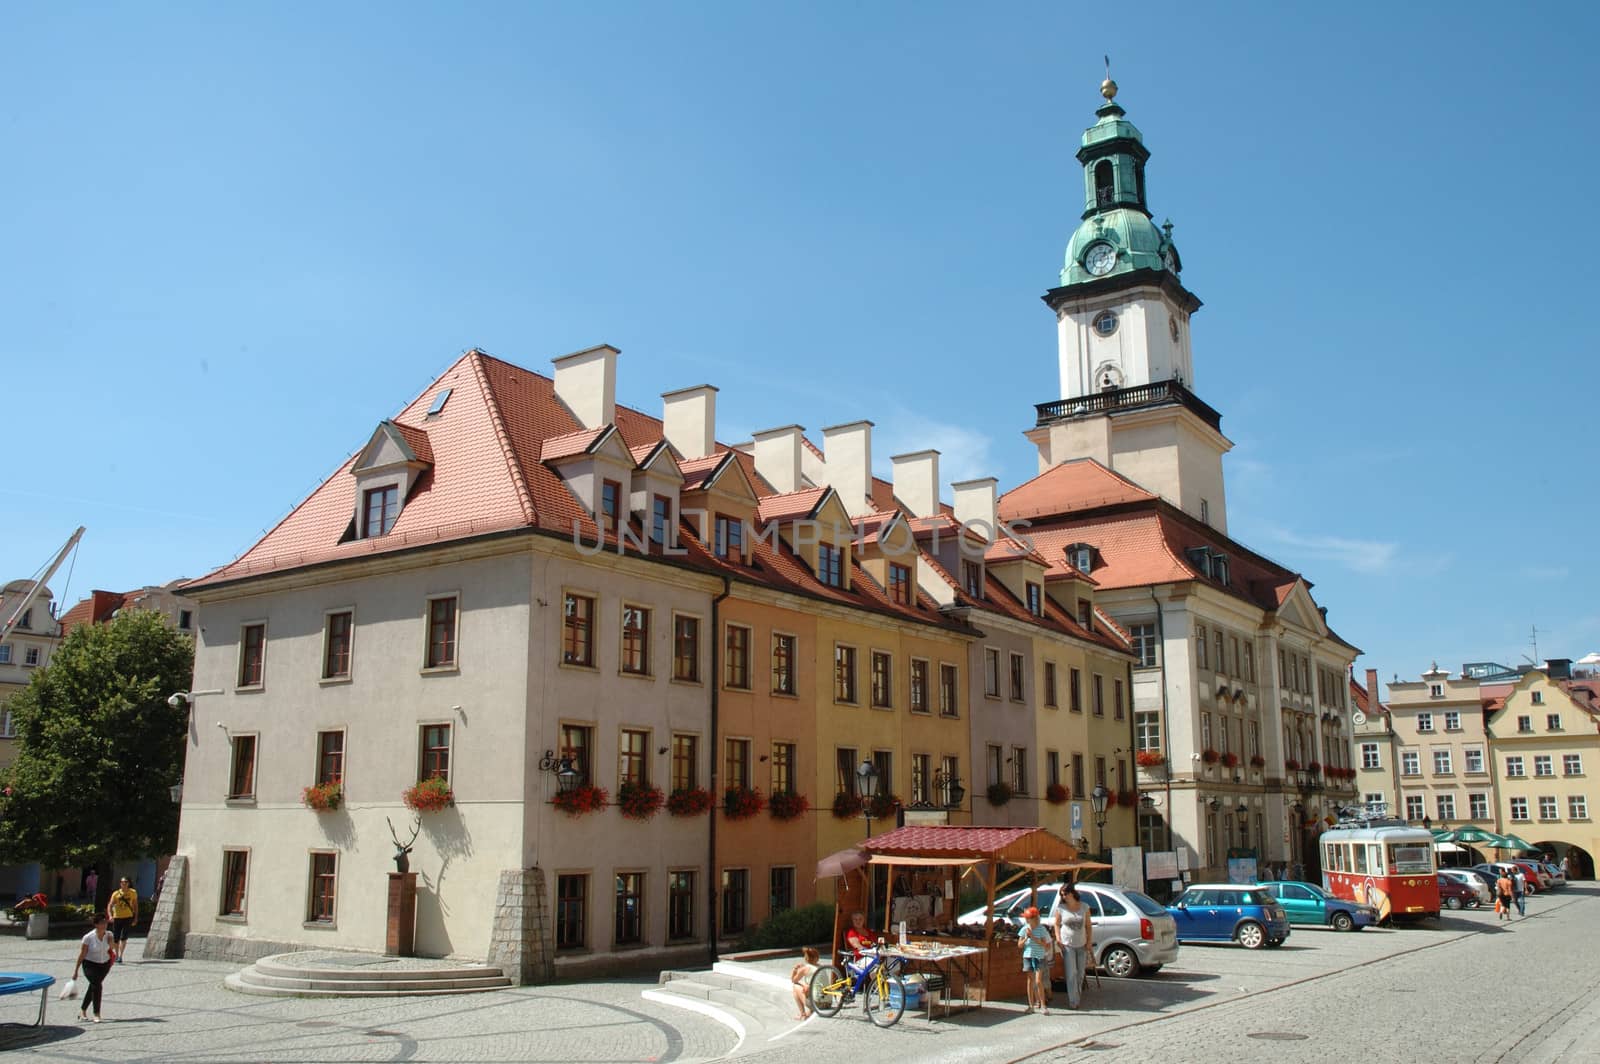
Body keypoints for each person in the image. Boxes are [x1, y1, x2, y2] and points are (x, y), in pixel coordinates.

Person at [1053, 885, 1094, 1010]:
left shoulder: (1084, 906)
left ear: (1072, 893)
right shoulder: (1061, 908)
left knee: (1080, 972)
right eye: (1062, 895)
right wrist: (1058, 939)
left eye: (1065, 894)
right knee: (1071, 973)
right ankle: (1073, 1001)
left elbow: (1088, 926)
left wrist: (1089, 941)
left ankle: (1077, 997)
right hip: (1067, 943)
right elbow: (1056, 924)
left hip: (1081, 943)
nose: (1064, 897)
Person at [72, 913, 118, 1022]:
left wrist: (112, 941)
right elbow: (82, 954)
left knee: (94, 986)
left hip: (104, 964)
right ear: (96, 924)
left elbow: (113, 948)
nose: (104, 925)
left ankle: (82, 1010)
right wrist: (76, 970)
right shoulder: (88, 937)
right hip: (90, 964)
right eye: (102, 923)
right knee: (97, 986)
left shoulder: (109, 934)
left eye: (105, 922)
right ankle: (96, 1013)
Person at [1016, 906, 1054, 1014]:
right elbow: (1019, 945)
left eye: (1028, 918)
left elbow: (1046, 945)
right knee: (1030, 981)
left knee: (1038, 981)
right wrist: (1026, 938)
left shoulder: (1041, 929)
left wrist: (1033, 937)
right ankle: (1031, 1005)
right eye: (1026, 918)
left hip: (1039, 957)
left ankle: (1043, 1005)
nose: (1026, 920)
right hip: (1028, 956)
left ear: (1034, 918)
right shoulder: (1024, 929)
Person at [107, 877, 138, 963]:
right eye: (122, 882)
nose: (124, 883)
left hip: (128, 917)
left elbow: (135, 906)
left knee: (124, 937)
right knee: (116, 938)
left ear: (128, 883)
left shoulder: (133, 892)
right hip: (117, 917)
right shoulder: (116, 894)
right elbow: (110, 905)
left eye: (126, 882)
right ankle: (116, 955)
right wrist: (110, 915)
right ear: (120, 883)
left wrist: (135, 917)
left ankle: (120, 956)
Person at [790, 946, 820, 1020]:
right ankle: (810, 1012)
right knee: (809, 987)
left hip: (817, 1004)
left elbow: (794, 980)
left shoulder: (805, 969)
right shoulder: (821, 967)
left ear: (806, 958)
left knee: (795, 987)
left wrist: (794, 970)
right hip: (827, 1003)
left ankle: (802, 1014)